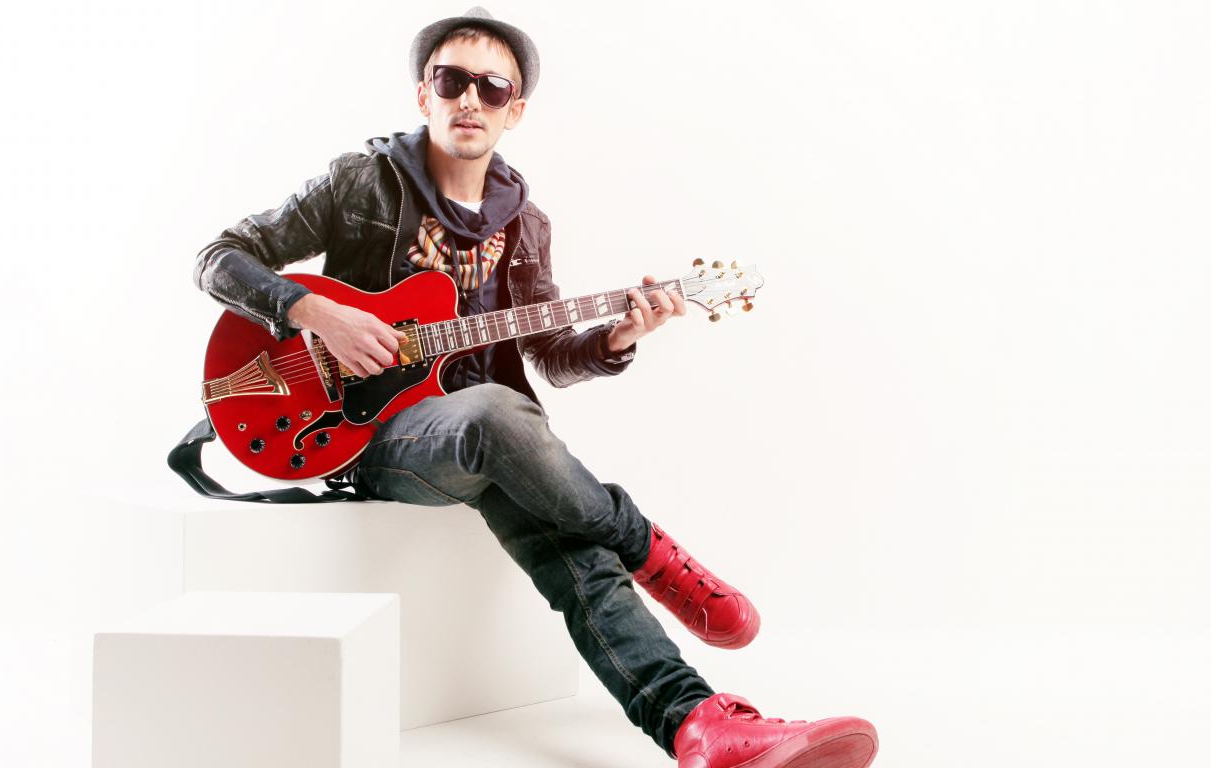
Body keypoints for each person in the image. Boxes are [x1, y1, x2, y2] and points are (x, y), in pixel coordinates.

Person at [192, 7, 878, 766]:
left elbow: (548, 354)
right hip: (371, 434)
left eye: (492, 88)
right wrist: (316, 313)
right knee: (497, 412)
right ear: (423, 94)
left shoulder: (526, 226)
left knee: (575, 549)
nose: (470, 100)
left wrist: (616, 338)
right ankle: (644, 543)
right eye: (451, 81)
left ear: (514, 110)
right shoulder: (360, 183)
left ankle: (698, 728)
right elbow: (219, 257)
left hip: (497, 439)